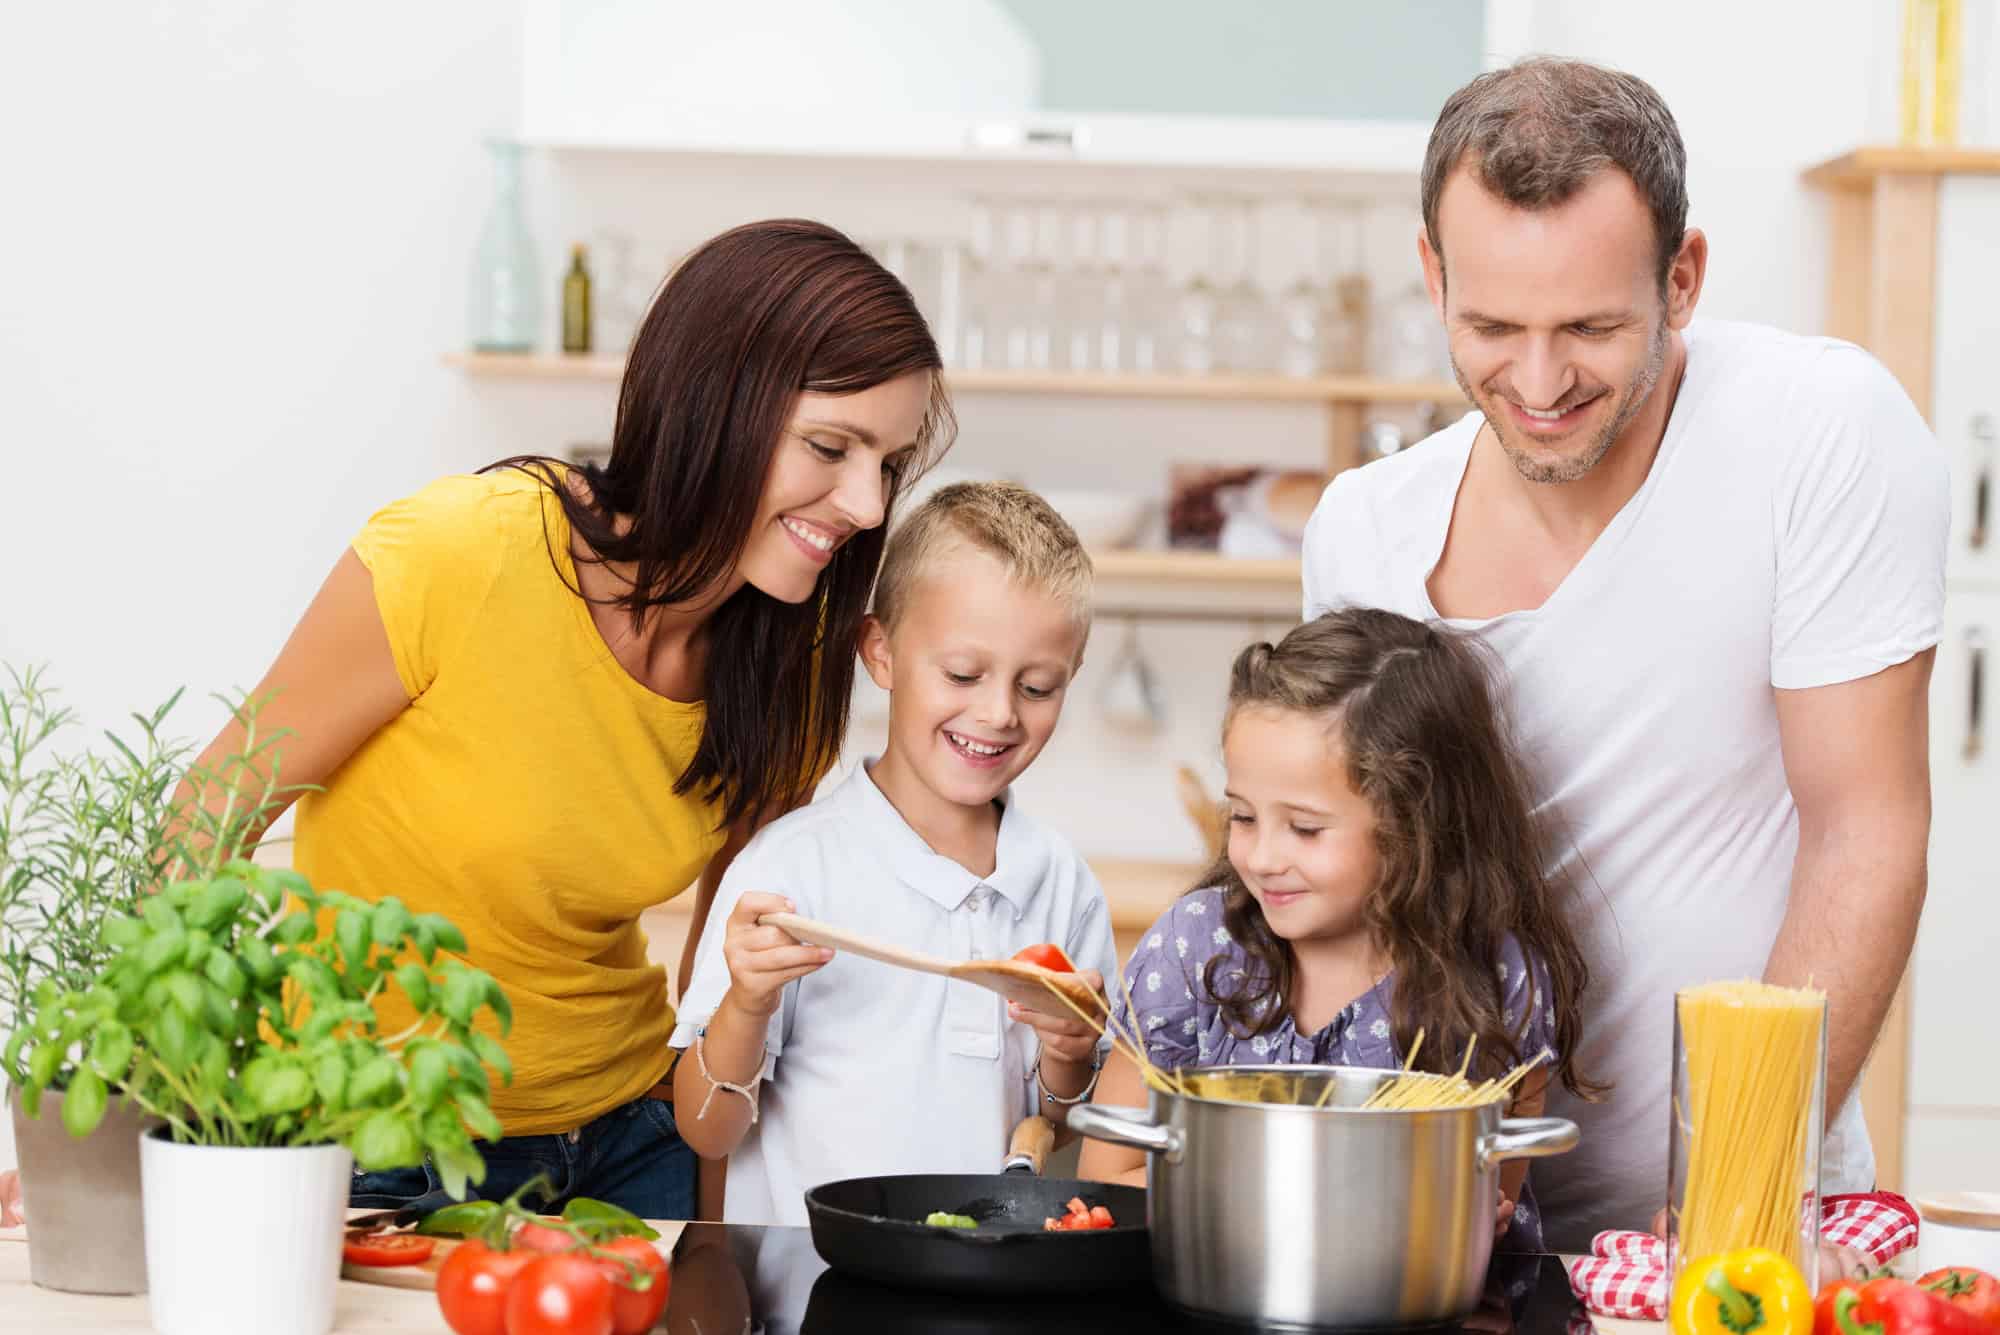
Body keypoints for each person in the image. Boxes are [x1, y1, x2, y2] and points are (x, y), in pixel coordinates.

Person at [171, 219, 954, 1219]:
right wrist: (153, 1119)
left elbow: (724, 959)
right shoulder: (461, 554)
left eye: (887, 463)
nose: (865, 504)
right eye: (830, 448)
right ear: (712, 405)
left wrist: (707, 1216)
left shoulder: (785, 656)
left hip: (630, 1143)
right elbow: (203, 818)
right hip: (378, 1153)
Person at [1301, 58, 1947, 1246]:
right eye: (1491, 326)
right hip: (1442, 1230)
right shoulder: (1362, 530)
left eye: (1590, 328)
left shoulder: (1816, 431)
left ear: (1681, 276)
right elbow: (1359, 901)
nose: (1537, 383)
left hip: (1745, 1209)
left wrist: (1722, 1211)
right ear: (1432, 274)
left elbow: (1865, 833)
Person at [1078, 610, 1602, 1252]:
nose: (1263, 856)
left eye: (1304, 828)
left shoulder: (1496, 979)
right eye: (1242, 816)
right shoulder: (1196, 945)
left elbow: (1486, 1206)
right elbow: (1108, 1176)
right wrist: (1306, 1207)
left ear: (1414, 824)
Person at [671, 481, 1117, 1226]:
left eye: (1039, 686)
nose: (999, 712)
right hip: (811, 1294)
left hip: (979, 1291)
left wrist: (1069, 1055)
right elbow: (706, 1128)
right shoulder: (791, 872)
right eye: (963, 674)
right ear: (880, 651)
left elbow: (1057, 1127)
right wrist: (748, 1001)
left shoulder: (1061, 882)